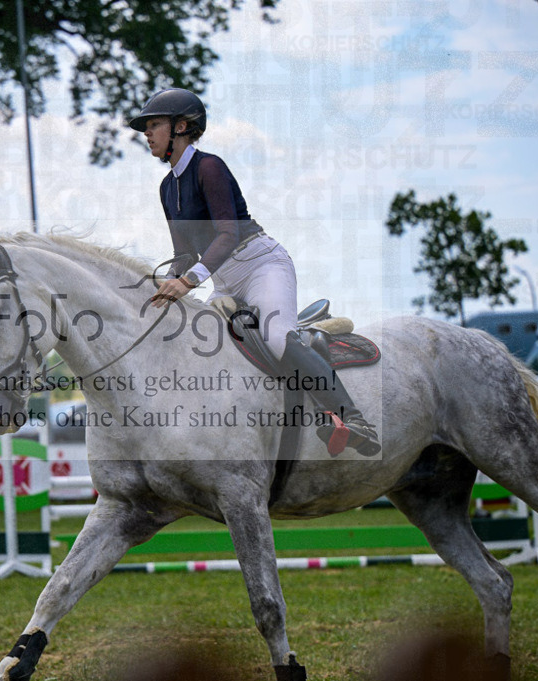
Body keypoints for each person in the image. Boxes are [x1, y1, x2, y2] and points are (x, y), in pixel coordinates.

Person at [129, 88, 380, 457]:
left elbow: (228, 235)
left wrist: (188, 280)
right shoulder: (167, 187)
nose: (147, 133)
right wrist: (164, 284)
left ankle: (353, 417)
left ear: (180, 127)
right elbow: (184, 254)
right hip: (223, 279)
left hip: (261, 264)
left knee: (276, 337)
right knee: (198, 344)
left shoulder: (209, 167)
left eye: (154, 125)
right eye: (146, 128)